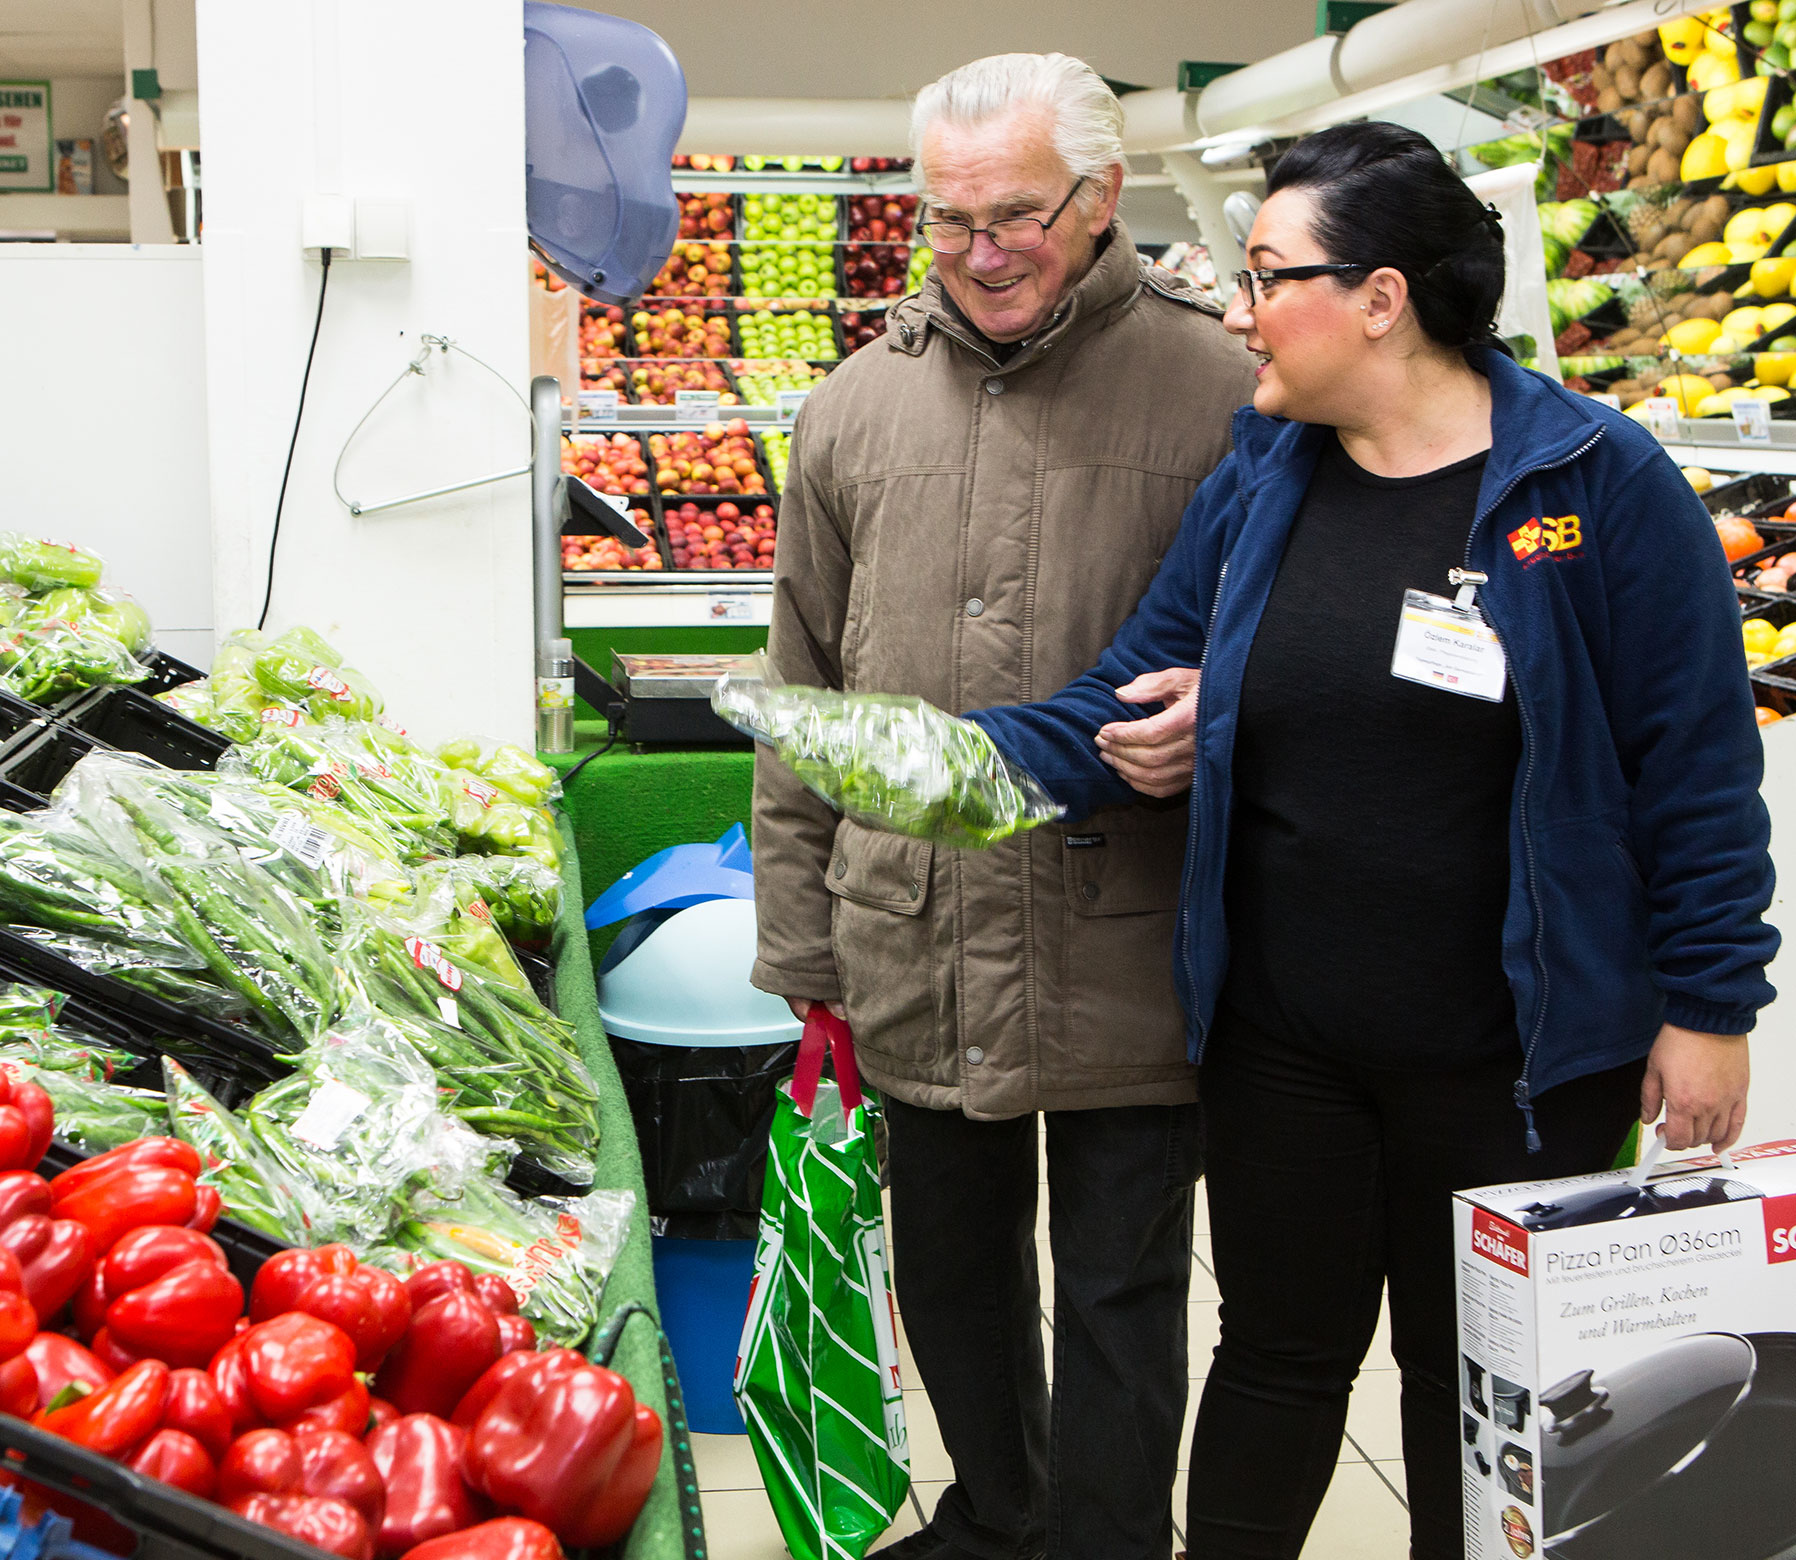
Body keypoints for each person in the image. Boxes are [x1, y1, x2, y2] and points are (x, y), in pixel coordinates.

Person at [968, 121, 1774, 1560]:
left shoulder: (1596, 487)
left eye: (1269, 274)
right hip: (1288, 1043)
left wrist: (1712, 1008)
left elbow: (1697, 774)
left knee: (1485, 1390)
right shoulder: (1266, 477)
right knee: (1277, 1361)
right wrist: (959, 760)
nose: (1233, 306)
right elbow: (1126, 684)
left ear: (1382, 297)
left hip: (1522, 1054)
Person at [748, 53, 1256, 1560]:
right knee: (952, 1269)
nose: (980, 251)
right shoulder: (854, 407)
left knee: (1120, 1284)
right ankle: (999, 1517)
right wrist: (803, 950)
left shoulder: (1226, 390)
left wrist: (1219, 721)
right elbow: (803, 697)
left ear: (1100, 200)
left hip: (1127, 927)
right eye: (947, 218)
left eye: (1017, 214)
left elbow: (1312, 647)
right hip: (913, 922)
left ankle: (1106, 1542)